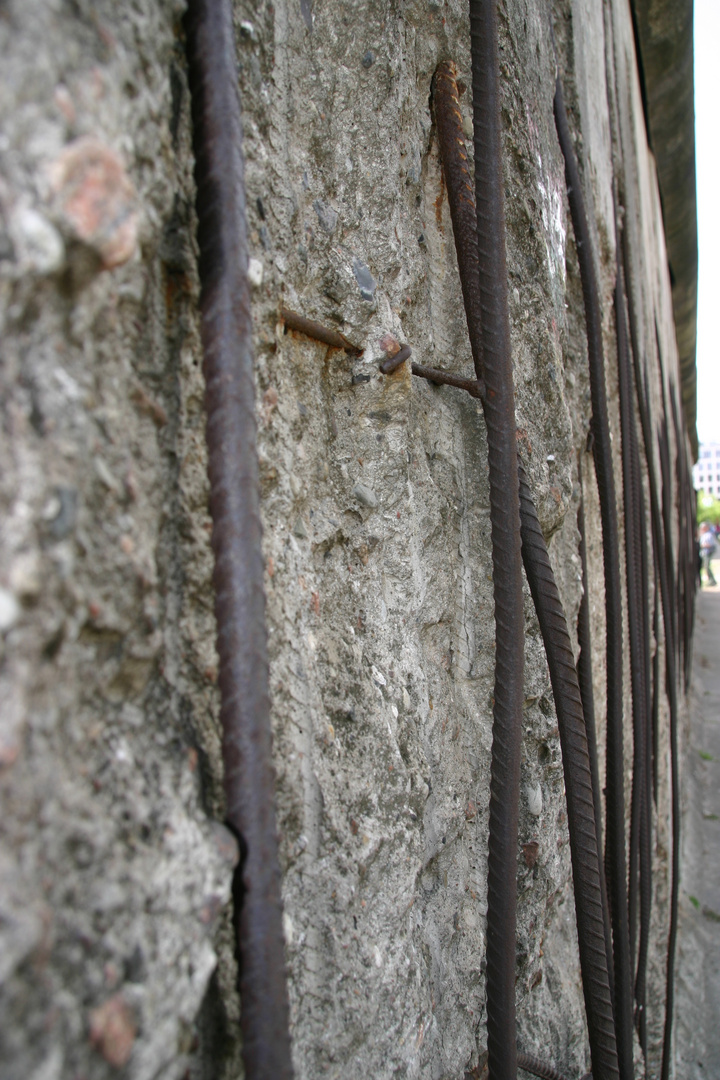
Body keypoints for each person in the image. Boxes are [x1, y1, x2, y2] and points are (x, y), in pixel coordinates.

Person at [699, 521, 717, 587]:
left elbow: (711, 544)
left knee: (707, 567)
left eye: (702, 527)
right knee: (706, 567)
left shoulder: (709, 535)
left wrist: (703, 545)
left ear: (706, 528)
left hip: (708, 553)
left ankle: (712, 581)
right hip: (705, 553)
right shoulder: (704, 534)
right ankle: (711, 580)